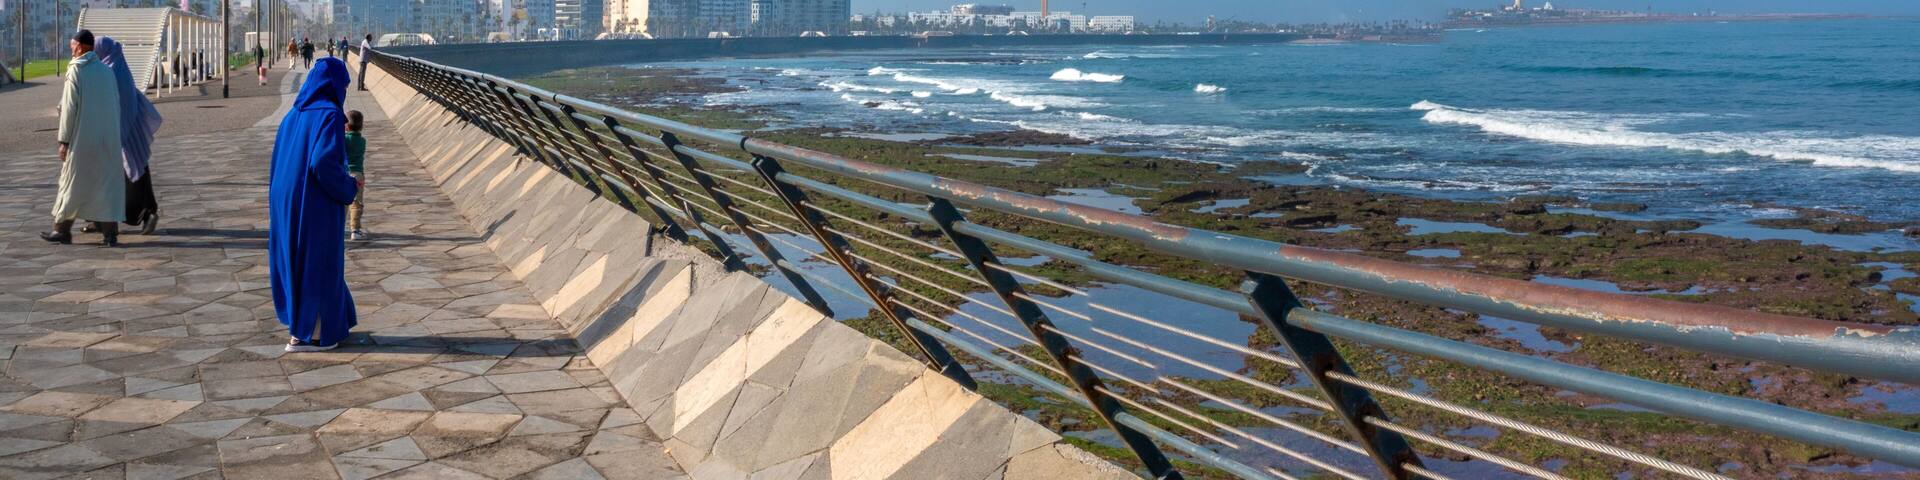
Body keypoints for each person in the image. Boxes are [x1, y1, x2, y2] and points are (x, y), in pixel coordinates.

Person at [269, 57, 359, 352]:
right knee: (319, 261)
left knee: (295, 258)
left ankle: (327, 323)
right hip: (314, 199)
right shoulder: (330, 115)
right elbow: (323, 162)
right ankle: (313, 334)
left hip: (284, 198)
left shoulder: (291, 116)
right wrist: (348, 187)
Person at [42, 30, 126, 246]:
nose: (71, 49)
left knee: (71, 183)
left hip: (82, 140)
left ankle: (61, 230)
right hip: (107, 139)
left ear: (79, 46)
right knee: (105, 185)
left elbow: (69, 109)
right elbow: (116, 105)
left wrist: (64, 141)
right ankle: (110, 234)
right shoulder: (107, 72)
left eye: (72, 46)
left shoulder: (76, 70)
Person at [93, 37, 164, 235]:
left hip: (120, 135)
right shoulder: (120, 68)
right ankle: (99, 219)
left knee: (128, 175)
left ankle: (145, 213)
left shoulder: (109, 71)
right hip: (131, 132)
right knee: (137, 171)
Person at [345, 110, 368, 241]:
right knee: (357, 203)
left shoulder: (343, 139)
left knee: (343, 202)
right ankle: (355, 230)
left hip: (344, 173)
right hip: (358, 175)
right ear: (362, 126)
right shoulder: (362, 141)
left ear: (346, 126)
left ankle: (338, 228)